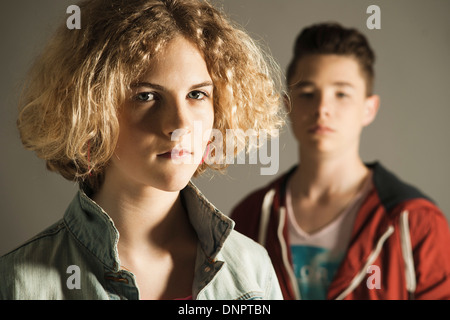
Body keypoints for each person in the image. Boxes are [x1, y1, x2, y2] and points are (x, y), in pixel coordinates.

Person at [0, 0, 284, 300]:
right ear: (92, 111)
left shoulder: (252, 272)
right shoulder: (21, 283)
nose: (179, 124)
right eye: (147, 96)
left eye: (197, 94)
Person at [231, 22, 450, 300]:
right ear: (287, 105)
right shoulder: (251, 218)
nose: (323, 109)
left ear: (368, 109)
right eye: (308, 94)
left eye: (342, 94)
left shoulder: (415, 221)